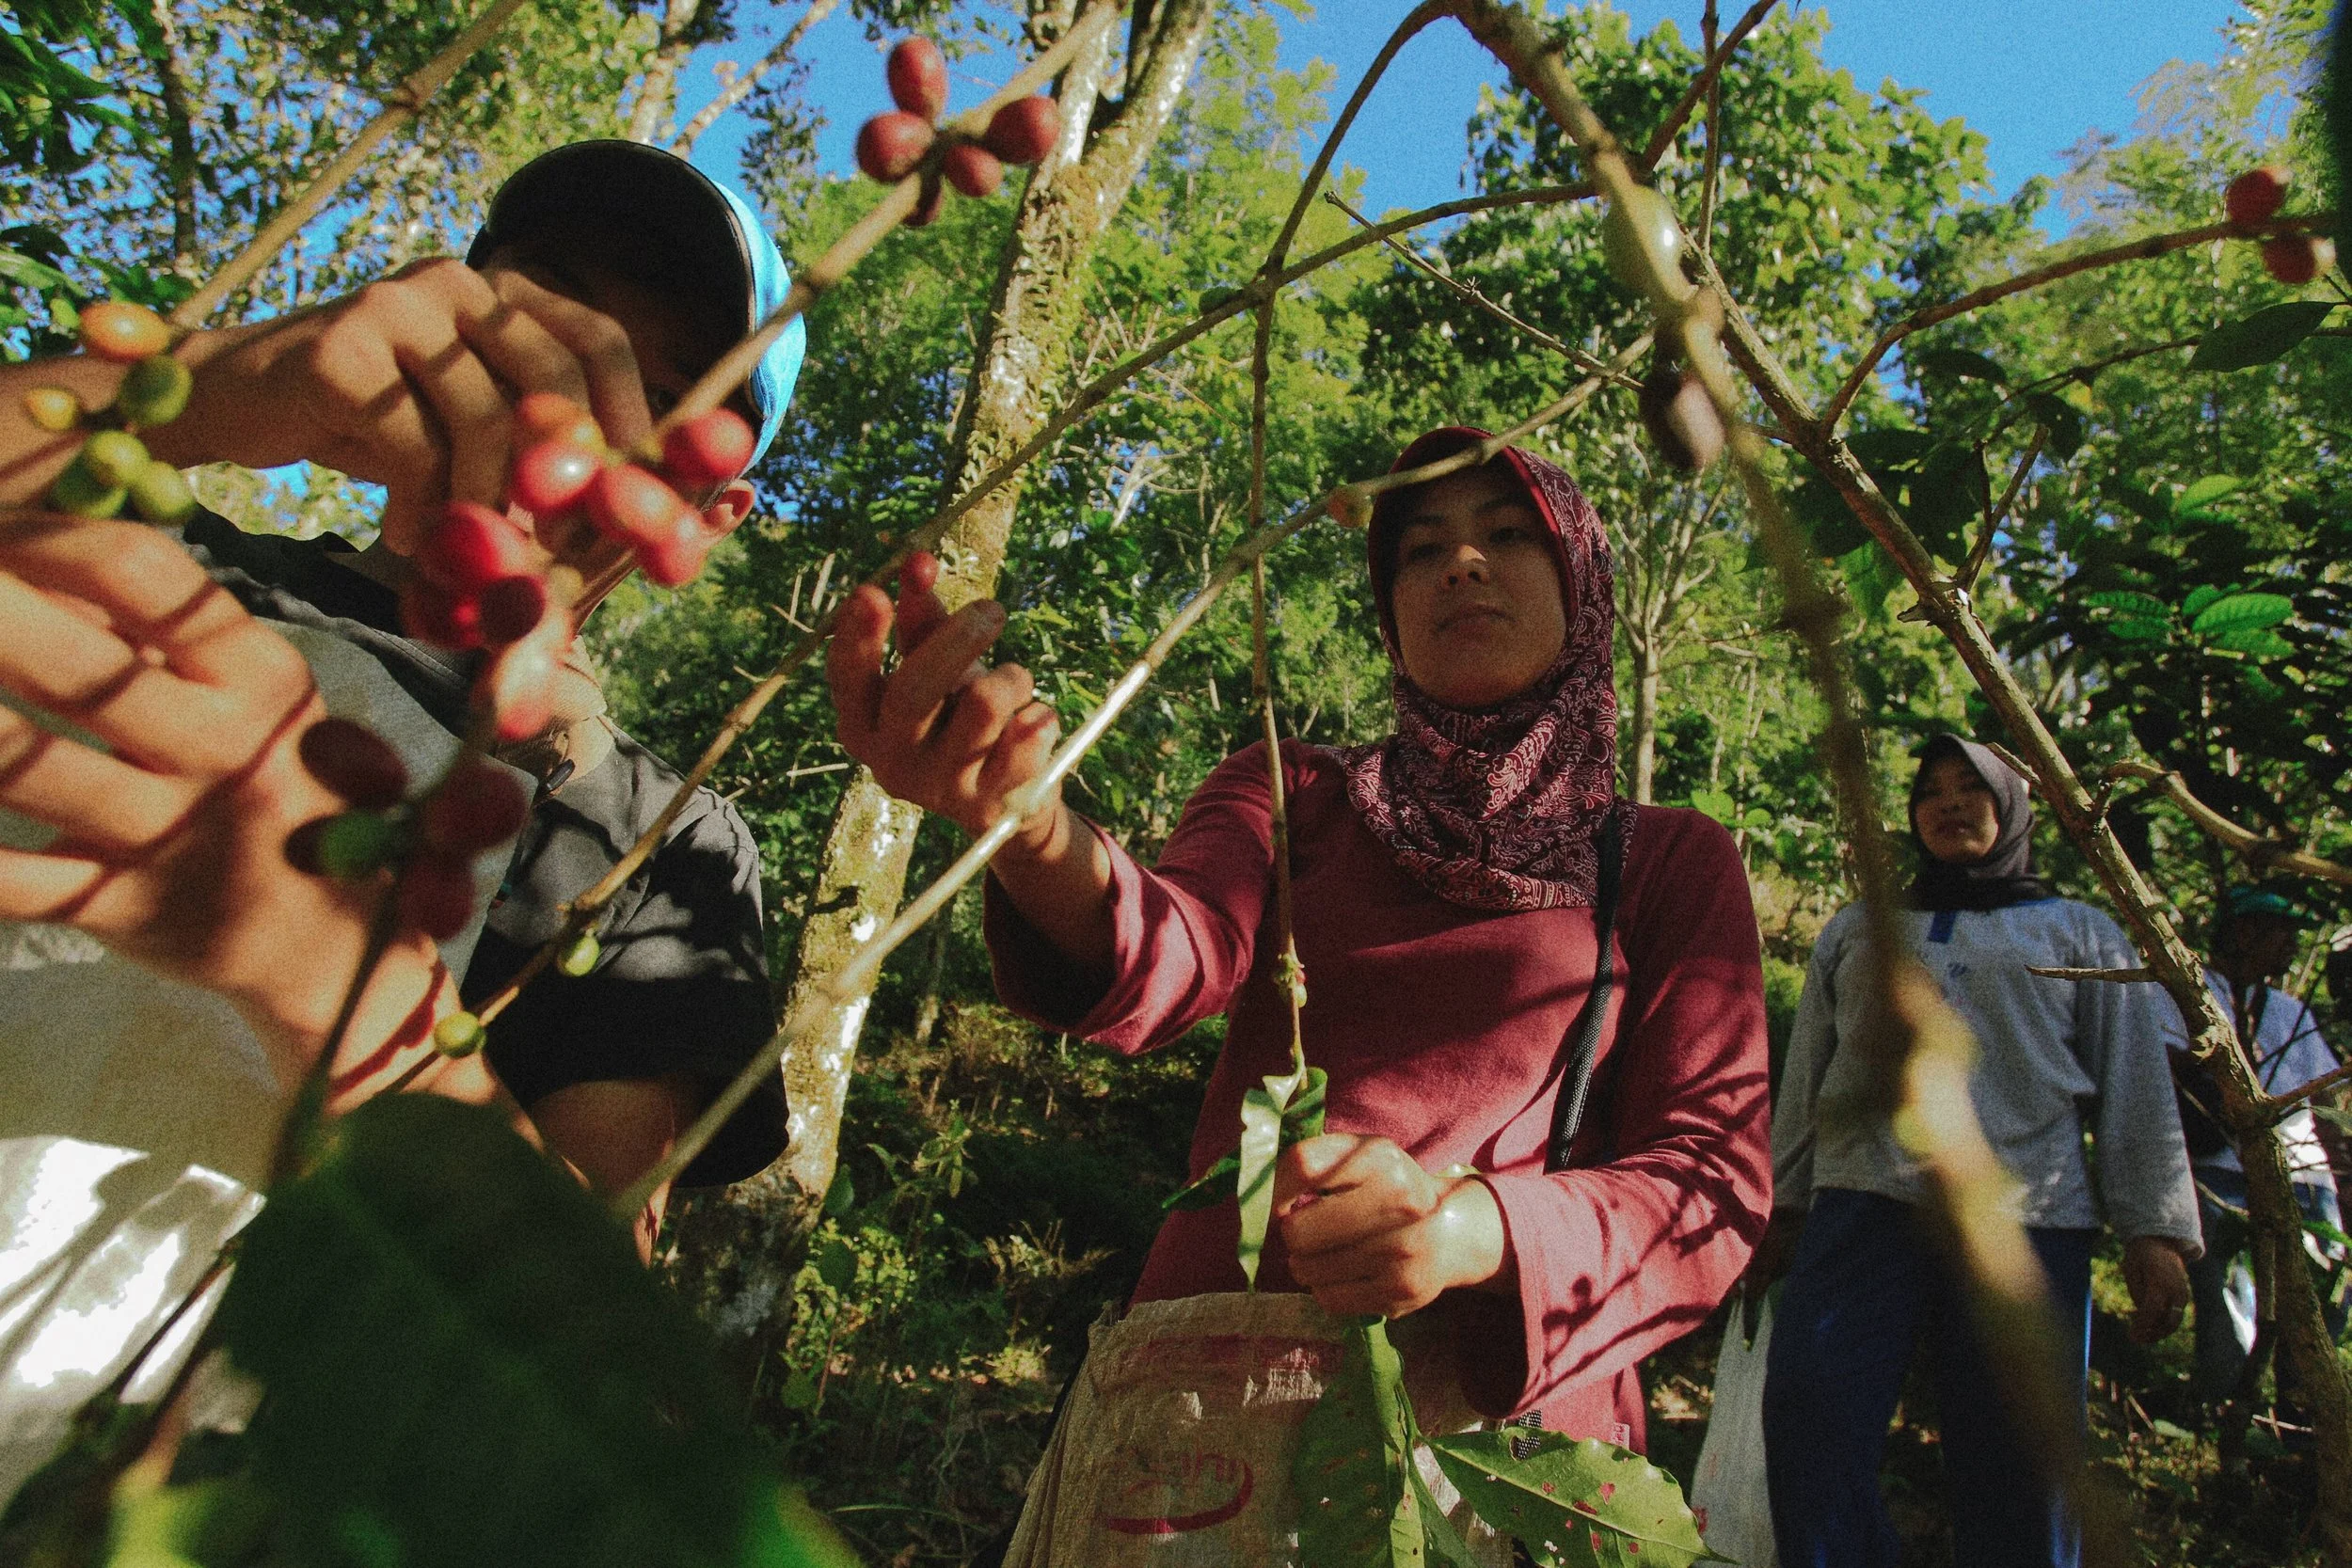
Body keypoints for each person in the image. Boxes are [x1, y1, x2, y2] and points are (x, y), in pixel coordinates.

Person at [0, 141, 799, 1500]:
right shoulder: (165, 560)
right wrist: (205, 388)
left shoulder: (653, 838)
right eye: (530, 326)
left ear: (709, 517)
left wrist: (333, 976)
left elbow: (583, 1319)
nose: (558, 412)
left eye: (646, 397)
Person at [831, 426, 1771, 1453]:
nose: (1461, 561)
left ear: (1584, 577)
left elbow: (1710, 1189)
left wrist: (1470, 1231)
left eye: (1509, 533)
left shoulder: (1671, 860)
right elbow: (1174, 949)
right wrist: (1029, 827)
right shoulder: (1296, 789)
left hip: (1503, 1452)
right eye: (1419, 548)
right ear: (1387, 608)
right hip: (1205, 1414)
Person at [1756, 736, 2201, 1568]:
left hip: (2023, 1221)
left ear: (2014, 807)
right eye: (1932, 790)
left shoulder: (2083, 934)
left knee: (2020, 1460)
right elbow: (1809, 1077)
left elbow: (2137, 1087)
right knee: (1810, 1420)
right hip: (1863, 1211)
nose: (1951, 803)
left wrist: (2156, 1229)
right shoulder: (1859, 929)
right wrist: (1785, 1205)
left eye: (1973, 788)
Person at [2166, 885, 2348, 1404]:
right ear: (2244, 933)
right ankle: (2230, 1411)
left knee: (2321, 1290)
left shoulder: (2290, 1011)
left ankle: (2302, 1409)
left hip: (2301, 1174)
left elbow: (2325, 1101)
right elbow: (2168, 1072)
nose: (2291, 945)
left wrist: (2341, 1176)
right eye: (2281, 933)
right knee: (2227, 1293)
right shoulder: (2188, 994)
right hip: (2222, 1174)